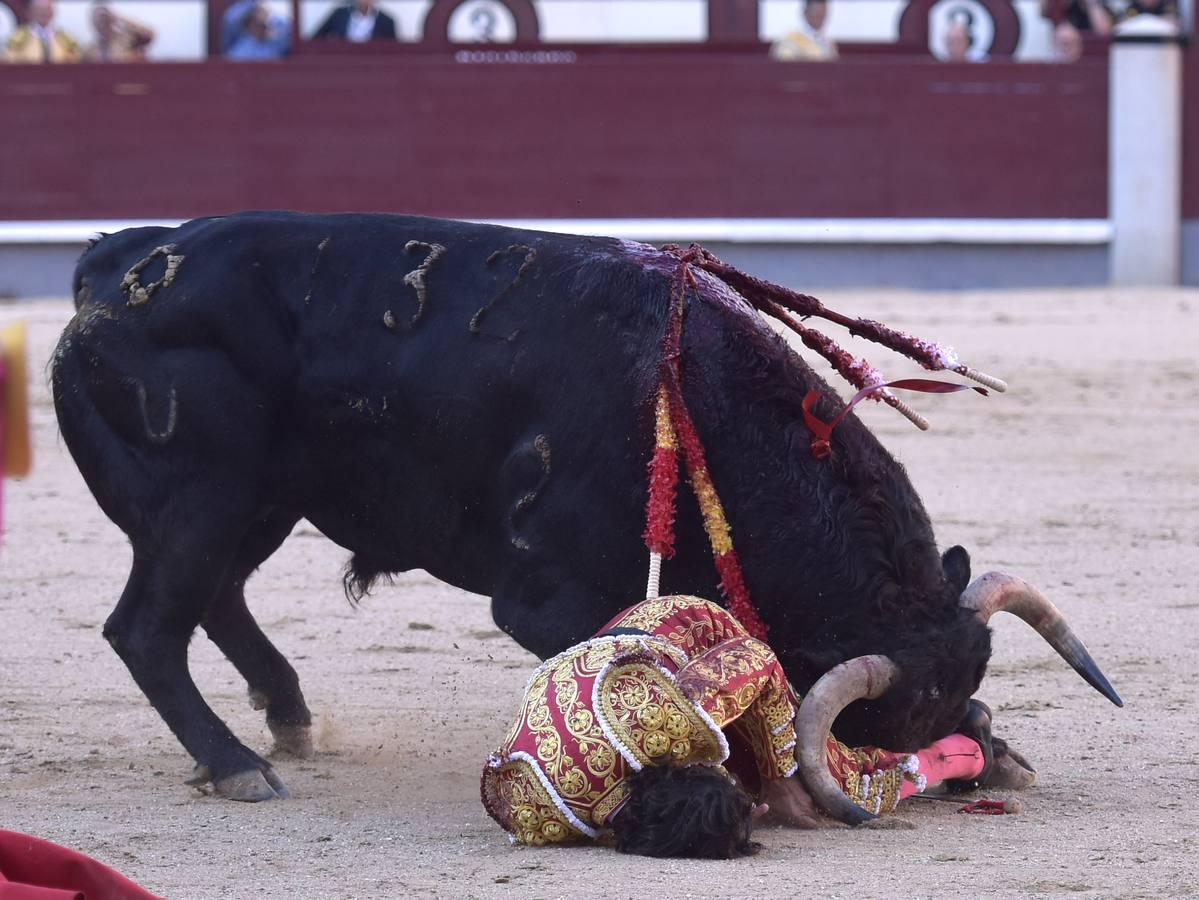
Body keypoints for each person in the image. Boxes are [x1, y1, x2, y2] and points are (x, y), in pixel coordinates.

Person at [482, 596, 1022, 857]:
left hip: (695, 634)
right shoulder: (542, 818)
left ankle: (965, 748)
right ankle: (962, 753)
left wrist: (780, 773)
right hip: (604, 675)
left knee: (829, 779)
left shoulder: (670, 721)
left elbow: (754, 659)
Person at [3, 0, 80, 63]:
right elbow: (9, 59)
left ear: (53, 12)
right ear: (31, 11)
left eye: (47, 9)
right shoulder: (19, 37)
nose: (44, 13)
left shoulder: (65, 38)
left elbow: (76, 59)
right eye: (39, 10)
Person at [85, 0, 154, 62]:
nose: (102, 22)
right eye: (97, 19)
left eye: (104, 18)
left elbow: (150, 34)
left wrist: (119, 17)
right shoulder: (90, 49)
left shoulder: (127, 36)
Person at [770, 0, 837, 62]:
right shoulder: (789, 40)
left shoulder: (828, 43)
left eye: (823, 13)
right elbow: (784, 66)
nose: (821, 17)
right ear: (805, 13)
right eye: (817, 13)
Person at [224, 0, 290, 60]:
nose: (263, 27)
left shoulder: (276, 46)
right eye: (257, 24)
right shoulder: (239, 52)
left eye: (265, 25)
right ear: (249, 25)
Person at [312, 0, 397, 42]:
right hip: (343, 63)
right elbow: (316, 38)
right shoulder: (339, 14)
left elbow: (393, 51)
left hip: (373, 67)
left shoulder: (387, 21)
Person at [1040, 0, 1113, 34]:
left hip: (1090, 52)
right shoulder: (1057, 5)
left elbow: (1104, 32)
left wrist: (1092, 4)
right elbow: (1042, 12)